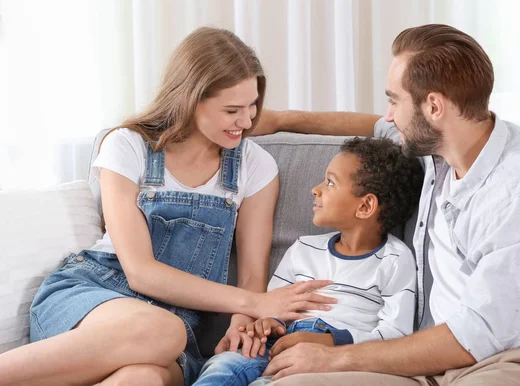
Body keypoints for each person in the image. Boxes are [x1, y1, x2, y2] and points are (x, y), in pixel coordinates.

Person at [253, 24, 520, 386]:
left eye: (393, 101)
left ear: (433, 106)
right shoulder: (439, 150)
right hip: (436, 362)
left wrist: (333, 358)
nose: (389, 116)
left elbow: (477, 334)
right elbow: (373, 128)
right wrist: (281, 119)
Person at [0, 27, 336, 386]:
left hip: (175, 329)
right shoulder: (127, 146)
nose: (247, 121)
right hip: (95, 296)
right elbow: (140, 273)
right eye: (231, 110)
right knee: (162, 331)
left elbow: (252, 276)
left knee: (143, 378)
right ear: (191, 99)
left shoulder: (256, 166)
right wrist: (258, 305)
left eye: (253, 104)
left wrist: (241, 325)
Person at [193, 137, 424, 386]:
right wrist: (268, 323)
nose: (316, 189)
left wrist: (330, 341)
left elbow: (396, 334)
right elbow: (273, 303)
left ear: (366, 205)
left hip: (331, 354)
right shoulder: (304, 248)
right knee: (223, 366)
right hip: (276, 342)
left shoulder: (394, 260)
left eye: (330, 182)